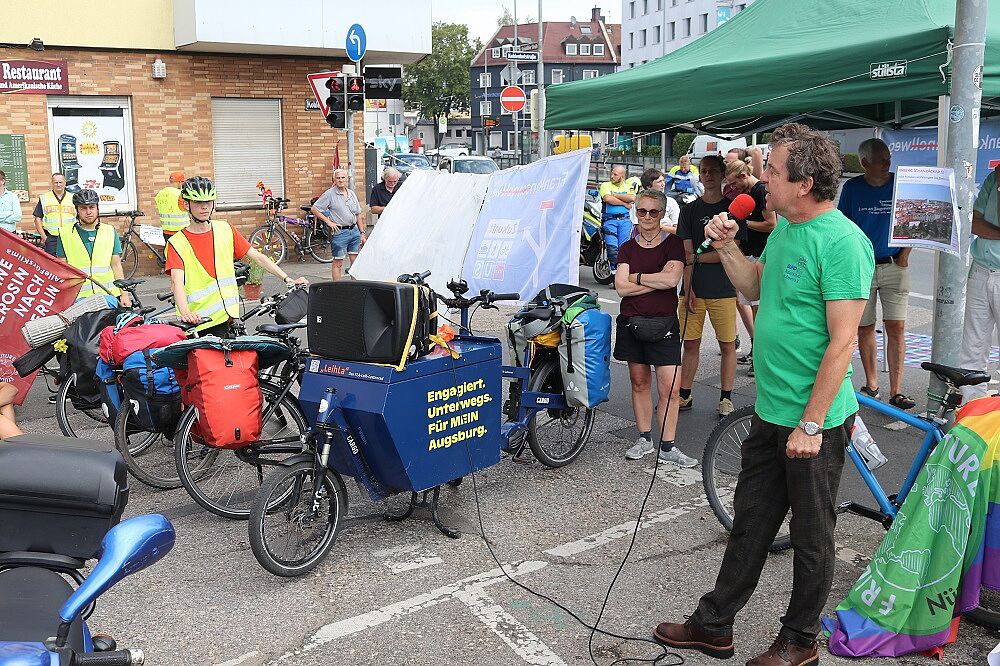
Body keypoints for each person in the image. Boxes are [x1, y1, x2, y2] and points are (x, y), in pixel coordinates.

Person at [653, 124, 874, 666]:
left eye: (772, 171)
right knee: (750, 523)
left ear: (803, 183)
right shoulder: (784, 230)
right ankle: (714, 626)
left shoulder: (843, 243)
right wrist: (727, 248)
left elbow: (843, 341)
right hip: (771, 410)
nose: (760, 179)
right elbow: (754, 286)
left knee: (812, 536)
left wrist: (813, 424)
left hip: (810, 422)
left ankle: (800, 642)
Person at [165, 177, 307, 336]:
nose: (204, 207)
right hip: (198, 323)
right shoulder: (177, 243)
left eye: (208, 201)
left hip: (228, 318)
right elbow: (176, 282)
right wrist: (185, 313)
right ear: (186, 205)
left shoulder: (225, 229)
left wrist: (287, 279)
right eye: (198, 203)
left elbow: (257, 257)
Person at [614, 189, 694, 467]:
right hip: (631, 323)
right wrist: (654, 279)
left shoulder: (673, 244)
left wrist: (636, 276)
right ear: (636, 212)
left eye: (653, 212)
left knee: (670, 389)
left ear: (662, 214)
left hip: (665, 325)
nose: (647, 217)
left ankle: (668, 445)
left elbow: (671, 281)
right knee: (639, 383)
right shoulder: (626, 248)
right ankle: (645, 438)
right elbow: (621, 288)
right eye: (642, 211)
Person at [838, 138, 914, 409]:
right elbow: (842, 226)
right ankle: (872, 384)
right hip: (863, 266)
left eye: (888, 158)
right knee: (865, 326)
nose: (887, 163)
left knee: (897, 327)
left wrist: (905, 253)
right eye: (881, 159)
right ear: (864, 163)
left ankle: (896, 390)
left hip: (895, 263)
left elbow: (914, 219)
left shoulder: (901, 184)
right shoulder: (852, 188)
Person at [676, 155, 745, 418]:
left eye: (713, 171)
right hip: (693, 291)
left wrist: (696, 258)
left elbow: (732, 251)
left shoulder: (733, 210)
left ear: (722, 174)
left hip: (724, 289)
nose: (708, 175)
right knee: (690, 344)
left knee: (728, 345)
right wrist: (688, 287)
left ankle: (726, 398)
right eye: (703, 171)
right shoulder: (689, 211)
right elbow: (685, 254)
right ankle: (685, 394)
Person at [725, 158, 777, 377]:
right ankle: (756, 349)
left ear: (744, 176)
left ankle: (760, 357)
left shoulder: (758, 191)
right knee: (743, 302)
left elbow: (771, 223)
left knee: (757, 308)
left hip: (759, 255)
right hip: (749, 253)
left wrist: (743, 223)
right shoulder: (747, 193)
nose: (733, 189)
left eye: (734, 184)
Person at [959, 163, 1000, 403]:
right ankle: (971, 408)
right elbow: (974, 223)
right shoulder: (992, 180)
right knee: (972, 346)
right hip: (982, 269)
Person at [57, 189, 132, 307]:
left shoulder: (109, 231)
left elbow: (116, 265)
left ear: (97, 208)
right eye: (83, 208)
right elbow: (62, 270)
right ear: (77, 210)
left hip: (108, 297)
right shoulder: (65, 234)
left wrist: (125, 295)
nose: (88, 212)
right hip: (79, 299)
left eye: (91, 207)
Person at [312, 169, 366, 281]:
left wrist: (362, 233)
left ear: (347, 179)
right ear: (334, 180)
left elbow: (358, 214)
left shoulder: (351, 193)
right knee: (338, 262)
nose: (341, 180)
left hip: (354, 231)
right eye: (338, 178)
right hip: (340, 232)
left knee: (355, 262)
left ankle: (355, 288)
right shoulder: (329, 194)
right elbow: (315, 209)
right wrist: (328, 222)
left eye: (343, 177)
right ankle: (337, 289)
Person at [599, 165, 637, 272]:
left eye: (615, 175)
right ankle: (614, 272)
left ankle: (620, 273)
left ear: (622, 176)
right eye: (612, 173)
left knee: (623, 249)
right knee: (612, 249)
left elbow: (632, 198)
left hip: (625, 221)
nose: (612, 176)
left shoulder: (628, 187)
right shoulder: (605, 185)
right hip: (609, 220)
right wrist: (625, 204)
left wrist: (615, 195)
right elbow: (607, 198)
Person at [33, 173, 74, 255]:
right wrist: (44, 237)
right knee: (53, 264)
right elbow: (37, 218)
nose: (58, 185)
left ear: (65, 182)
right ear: (52, 183)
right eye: (56, 182)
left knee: (70, 262)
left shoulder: (73, 197)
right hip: (52, 238)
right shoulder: (44, 198)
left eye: (60, 182)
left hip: (70, 236)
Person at [633, 168, 680, 235]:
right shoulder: (639, 203)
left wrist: (658, 227)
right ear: (649, 186)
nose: (663, 184)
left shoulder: (671, 202)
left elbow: (677, 230)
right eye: (659, 182)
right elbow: (641, 229)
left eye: (663, 181)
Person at [154, 171, 188, 239]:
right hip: (180, 231)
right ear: (180, 182)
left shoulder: (160, 194)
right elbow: (187, 208)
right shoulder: (180, 194)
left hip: (166, 231)